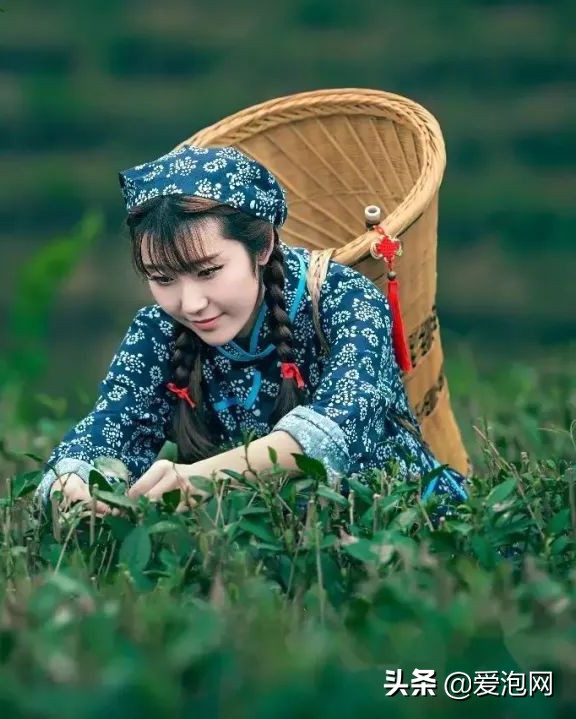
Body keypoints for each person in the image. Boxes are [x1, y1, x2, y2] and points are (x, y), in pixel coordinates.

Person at [38, 145, 468, 515]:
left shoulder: (344, 299)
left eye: (208, 271)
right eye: (163, 279)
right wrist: (72, 483)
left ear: (261, 246)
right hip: (270, 552)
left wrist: (203, 477)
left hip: (411, 529)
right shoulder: (158, 330)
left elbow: (338, 426)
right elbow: (108, 429)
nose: (190, 304)